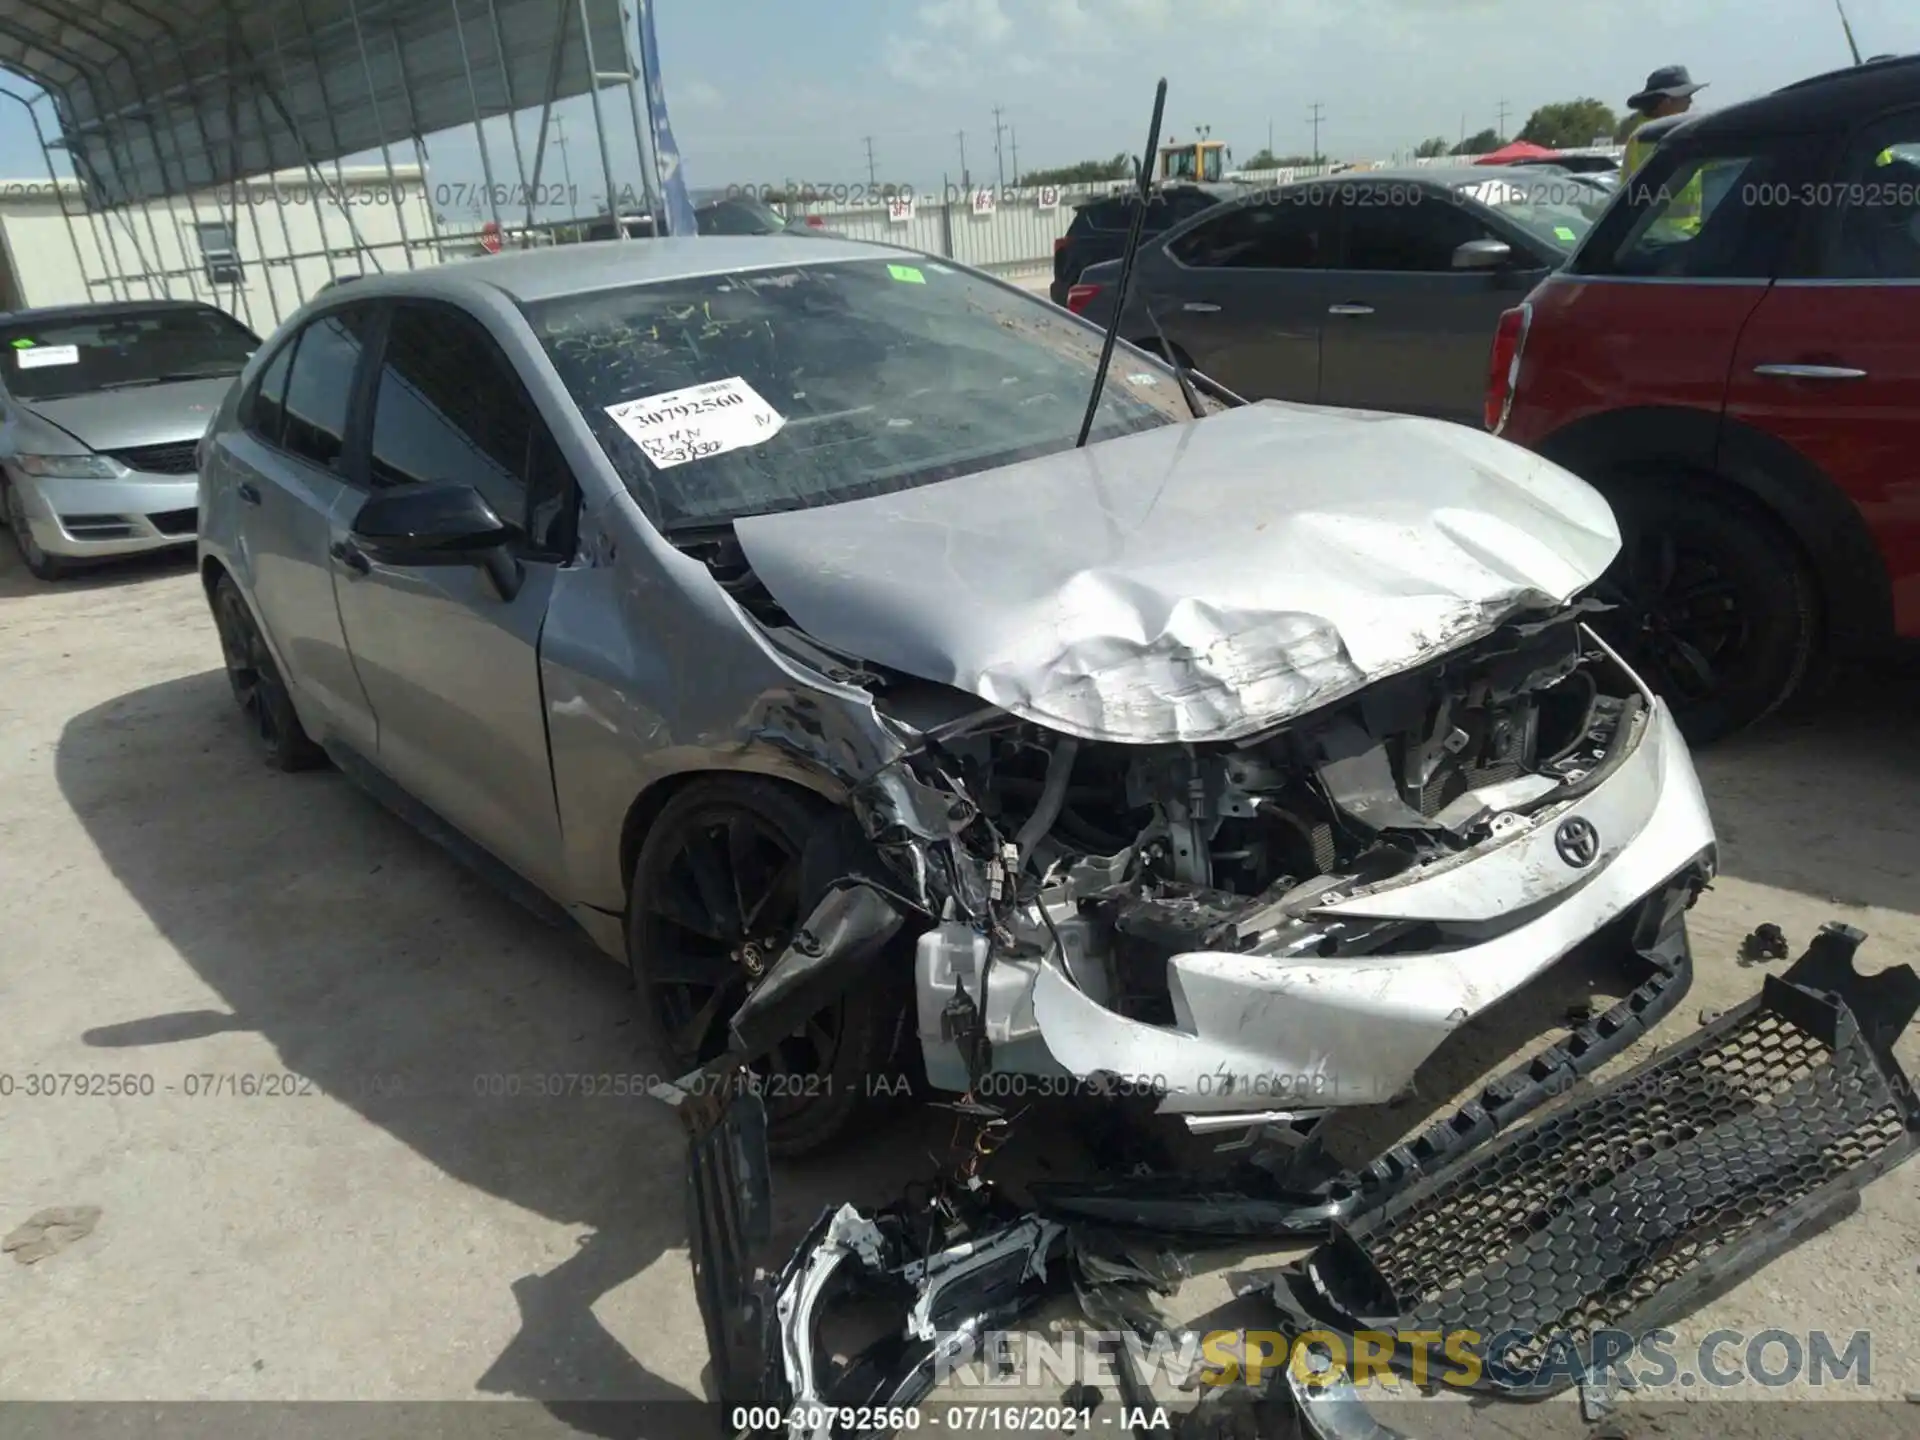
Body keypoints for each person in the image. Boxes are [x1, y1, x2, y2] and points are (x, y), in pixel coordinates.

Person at [1623, 65, 1707, 180]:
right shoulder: (1650, 136)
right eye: (1686, 96)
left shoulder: (1645, 134)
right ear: (1666, 102)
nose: (1690, 101)